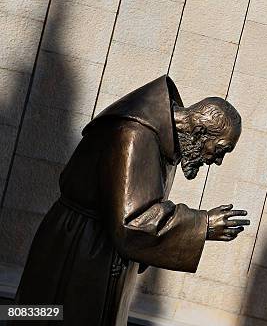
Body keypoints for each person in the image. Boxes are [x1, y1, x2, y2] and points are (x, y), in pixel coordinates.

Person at [12, 75, 249, 325]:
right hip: (80, 251)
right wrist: (203, 225)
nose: (217, 161)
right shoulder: (136, 134)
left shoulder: (162, 136)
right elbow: (132, 221)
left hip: (95, 246)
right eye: (220, 149)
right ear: (200, 132)